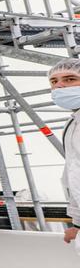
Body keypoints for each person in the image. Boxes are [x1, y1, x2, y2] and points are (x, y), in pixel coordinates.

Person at [48, 58, 80, 246]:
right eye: (54, 81)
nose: (59, 86)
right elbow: (74, 177)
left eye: (70, 79)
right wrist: (77, 224)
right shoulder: (72, 124)